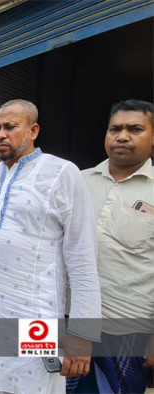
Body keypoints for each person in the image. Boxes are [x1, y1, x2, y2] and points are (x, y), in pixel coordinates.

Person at [0, 99, 101, 393]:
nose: (1, 134)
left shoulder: (62, 173)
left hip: (36, 316)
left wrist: (83, 334)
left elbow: (82, 258)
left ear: (33, 130)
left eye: (10, 127)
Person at [78, 99, 154, 393]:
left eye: (135, 129)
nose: (122, 136)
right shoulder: (78, 180)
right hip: (69, 318)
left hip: (127, 327)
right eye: (115, 129)